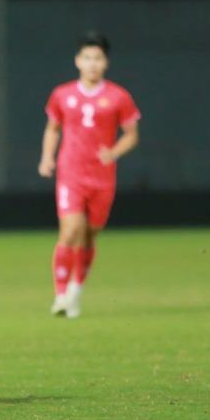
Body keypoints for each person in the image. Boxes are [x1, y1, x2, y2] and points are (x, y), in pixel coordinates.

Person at [38, 31, 141, 319]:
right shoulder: (62, 94)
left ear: (105, 62)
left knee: (89, 236)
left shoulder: (118, 97)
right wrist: (47, 157)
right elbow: (53, 127)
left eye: (97, 58)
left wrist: (114, 152)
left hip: (102, 178)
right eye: (87, 57)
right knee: (70, 231)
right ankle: (60, 295)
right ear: (77, 61)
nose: (92, 63)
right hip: (71, 173)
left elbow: (132, 135)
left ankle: (75, 290)